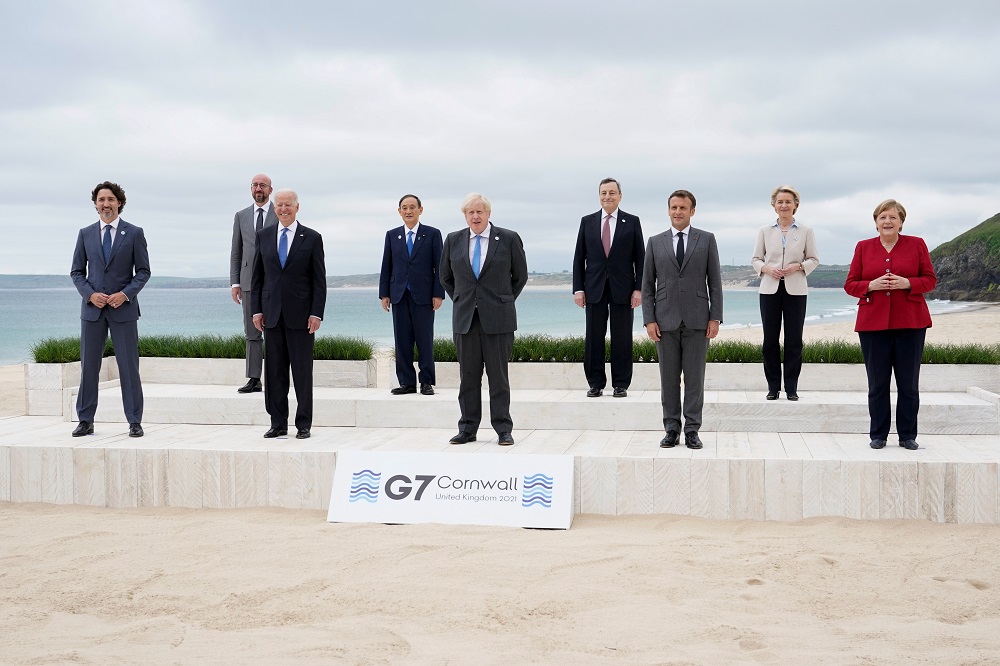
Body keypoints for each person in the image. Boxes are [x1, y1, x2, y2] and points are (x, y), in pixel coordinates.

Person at [844, 199, 936, 451]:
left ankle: (907, 435)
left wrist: (907, 283)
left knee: (908, 384)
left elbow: (930, 280)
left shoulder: (916, 245)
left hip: (911, 323)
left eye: (893, 217)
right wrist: (869, 286)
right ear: (875, 223)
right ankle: (878, 435)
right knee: (878, 383)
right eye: (883, 217)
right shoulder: (863, 247)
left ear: (901, 222)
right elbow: (850, 284)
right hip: (872, 325)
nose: (887, 221)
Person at [439, 193, 528, 446]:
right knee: (468, 377)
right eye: (470, 212)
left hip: (498, 319)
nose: (475, 216)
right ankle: (467, 428)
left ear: (489, 214)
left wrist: (503, 300)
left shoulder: (508, 238)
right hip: (465, 318)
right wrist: (462, 298)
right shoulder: (453, 240)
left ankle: (503, 429)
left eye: (480, 212)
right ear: (465, 215)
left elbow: (520, 276)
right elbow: (446, 277)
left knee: (498, 377)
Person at [641, 190, 723, 450]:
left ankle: (692, 430)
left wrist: (716, 318)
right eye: (674, 207)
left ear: (692, 211)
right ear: (668, 210)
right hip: (664, 320)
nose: (678, 211)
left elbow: (715, 283)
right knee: (668, 379)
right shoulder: (655, 242)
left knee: (695, 378)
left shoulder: (707, 240)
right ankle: (671, 428)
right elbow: (646, 286)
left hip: (698, 319)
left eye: (683, 208)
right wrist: (649, 319)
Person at [70, 181, 151, 438]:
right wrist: (90, 294)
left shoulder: (135, 233)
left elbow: (144, 272)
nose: (106, 204)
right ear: (96, 204)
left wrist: (124, 295)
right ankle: (85, 420)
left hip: (123, 311)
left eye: (111, 199)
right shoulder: (85, 234)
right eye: (102, 200)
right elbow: (76, 272)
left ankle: (134, 420)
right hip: (92, 312)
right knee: (89, 367)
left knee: (129, 367)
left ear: (119, 203)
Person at [251, 189, 327, 440]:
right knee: (274, 373)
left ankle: (303, 424)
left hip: (302, 317)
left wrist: (316, 313)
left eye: (288, 205)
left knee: (302, 372)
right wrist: (257, 310)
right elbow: (258, 277)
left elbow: (319, 281)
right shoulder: (263, 236)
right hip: (271, 315)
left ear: (297, 207)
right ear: (275, 209)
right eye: (279, 205)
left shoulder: (312, 238)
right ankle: (277, 423)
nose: (284, 209)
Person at [572, 177, 645, 398]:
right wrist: (578, 289)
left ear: (620, 196)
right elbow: (578, 258)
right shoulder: (587, 221)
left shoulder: (632, 222)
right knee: (594, 337)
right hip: (593, 288)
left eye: (612, 192)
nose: (607, 196)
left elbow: (640, 259)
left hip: (623, 289)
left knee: (622, 337)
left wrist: (638, 289)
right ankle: (595, 383)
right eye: (604, 193)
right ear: (599, 195)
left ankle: (620, 383)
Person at [750, 185, 819, 401]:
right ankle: (773, 387)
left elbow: (814, 259)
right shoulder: (764, 231)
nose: (784, 205)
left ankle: (791, 387)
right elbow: (755, 259)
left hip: (796, 290)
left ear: (795, 205)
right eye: (780, 201)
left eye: (788, 201)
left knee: (794, 340)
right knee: (770, 340)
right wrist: (767, 269)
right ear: (774, 205)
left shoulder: (806, 231)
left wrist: (797, 267)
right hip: (769, 289)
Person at [379, 194, 445, 395]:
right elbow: (386, 266)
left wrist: (438, 293)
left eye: (412, 207)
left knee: (424, 339)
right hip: (398, 294)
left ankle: (426, 381)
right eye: (404, 208)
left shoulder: (432, 234)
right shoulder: (392, 235)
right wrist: (384, 294)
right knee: (402, 340)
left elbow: (439, 266)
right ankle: (407, 382)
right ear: (399, 211)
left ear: (420, 210)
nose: (408, 211)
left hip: (424, 296)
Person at [230, 174, 278, 394]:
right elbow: (236, 252)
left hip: (274, 282)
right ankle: (254, 378)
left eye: (262, 185)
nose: (258, 188)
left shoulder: (280, 212)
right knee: (252, 333)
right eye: (255, 185)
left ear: (270, 189)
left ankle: (276, 377)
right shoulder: (241, 216)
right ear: (251, 189)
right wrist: (235, 282)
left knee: (275, 332)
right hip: (248, 282)